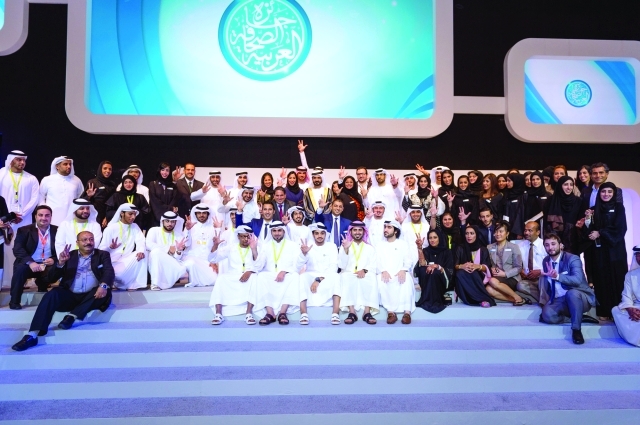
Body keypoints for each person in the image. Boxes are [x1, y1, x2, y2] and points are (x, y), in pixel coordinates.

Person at [11, 231, 114, 351]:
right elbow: (50, 278)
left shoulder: (102, 255)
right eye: (84, 240)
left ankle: (71, 316)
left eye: (91, 239)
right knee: (52, 294)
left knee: (105, 290)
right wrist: (60, 264)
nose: (88, 242)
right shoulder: (69, 255)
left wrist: (103, 285)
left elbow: (109, 271)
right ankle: (32, 335)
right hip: (70, 296)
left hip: (92, 296)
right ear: (77, 242)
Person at [538, 232, 596, 345]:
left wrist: (558, 276)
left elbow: (577, 280)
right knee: (547, 316)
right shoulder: (546, 261)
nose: (550, 247)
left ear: (561, 245)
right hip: (560, 299)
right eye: (547, 245)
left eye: (553, 244)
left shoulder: (573, 259)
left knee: (572, 293)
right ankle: (578, 317)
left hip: (580, 297)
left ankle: (576, 330)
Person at [582, 182, 628, 321]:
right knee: (601, 279)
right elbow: (589, 231)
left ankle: (618, 311)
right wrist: (588, 220)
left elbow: (620, 228)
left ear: (614, 193)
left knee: (617, 279)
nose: (606, 194)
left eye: (609, 192)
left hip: (615, 250)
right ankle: (604, 311)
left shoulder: (619, 207)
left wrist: (601, 232)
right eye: (603, 191)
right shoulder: (593, 209)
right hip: (599, 251)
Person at [0, 151, 40, 288]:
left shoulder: (31, 178)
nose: (22, 162)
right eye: (18, 160)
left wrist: (21, 215)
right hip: (4, 221)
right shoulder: (1, 175)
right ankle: (5, 281)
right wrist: (8, 217)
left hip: (24, 220)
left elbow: (35, 199)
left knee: (23, 248)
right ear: (11, 160)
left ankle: (22, 281)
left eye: (23, 160)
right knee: (6, 250)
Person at [250, 221, 301, 325]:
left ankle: (283, 312)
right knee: (261, 276)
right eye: (274, 231)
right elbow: (259, 266)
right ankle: (270, 313)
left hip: (287, 275)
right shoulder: (265, 246)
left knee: (295, 276)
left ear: (284, 231)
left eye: (279, 230)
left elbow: (297, 265)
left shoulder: (293, 245)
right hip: (270, 275)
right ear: (271, 232)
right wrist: (254, 250)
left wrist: (284, 271)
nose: (277, 233)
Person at [9, 205, 58, 310]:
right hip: (29, 263)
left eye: (47, 215)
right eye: (40, 215)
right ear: (35, 216)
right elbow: (18, 249)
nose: (44, 218)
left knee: (60, 268)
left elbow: (61, 248)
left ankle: (42, 284)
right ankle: (14, 301)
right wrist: (31, 262)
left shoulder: (57, 230)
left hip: (47, 263)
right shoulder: (24, 230)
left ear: (51, 217)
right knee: (20, 270)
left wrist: (54, 259)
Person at [209, 225, 260, 325]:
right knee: (221, 278)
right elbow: (213, 259)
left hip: (249, 276)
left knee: (255, 278)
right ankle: (218, 313)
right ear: (238, 237)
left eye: (248, 236)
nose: (246, 239)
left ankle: (249, 313)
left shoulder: (255, 246)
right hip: (232, 275)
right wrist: (215, 246)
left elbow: (260, 264)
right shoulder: (230, 248)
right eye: (243, 236)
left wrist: (249, 271)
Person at [297, 223, 341, 325]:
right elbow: (298, 266)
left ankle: (335, 313)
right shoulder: (308, 246)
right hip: (310, 275)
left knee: (336, 276)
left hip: (327, 275)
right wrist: (304, 254)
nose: (319, 236)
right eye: (316, 233)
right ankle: (304, 313)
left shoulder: (332, 246)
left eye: (322, 233)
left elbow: (334, 267)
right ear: (313, 235)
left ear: (326, 234)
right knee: (302, 277)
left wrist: (319, 279)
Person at [98, 203, 147, 291]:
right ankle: (116, 281)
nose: (133, 217)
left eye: (134, 214)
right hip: (112, 263)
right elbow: (101, 250)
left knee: (143, 253)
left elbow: (141, 241)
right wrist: (110, 248)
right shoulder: (111, 228)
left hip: (127, 261)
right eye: (130, 214)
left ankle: (134, 284)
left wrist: (140, 250)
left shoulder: (135, 226)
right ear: (122, 213)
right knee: (118, 275)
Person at [338, 221, 379, 325]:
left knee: (372, 278)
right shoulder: (345, 246)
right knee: (346, 277)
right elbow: (341, 266)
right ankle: (352, 312)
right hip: (349, 273)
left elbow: (373, 265)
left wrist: (364, 270)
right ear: (350, 232)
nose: (357, 232)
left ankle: (367, 312)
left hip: (365, 273)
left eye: (360, 230)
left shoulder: (370, 248)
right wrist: (346, 250)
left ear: (364, 232)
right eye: (355, 230)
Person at [377, 220, 414, 324]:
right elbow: (376, 261)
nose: (386, 229)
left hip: (399, 272)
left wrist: (403, 270)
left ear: (396, 231)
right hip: (386, 273)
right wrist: (383, 270)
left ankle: (407, 313)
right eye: (385, 227)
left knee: (407, 279)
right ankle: (391, 312)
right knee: (380, 280)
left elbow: (408, 260)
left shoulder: (403, 244)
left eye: (389, 227)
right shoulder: (380, 245)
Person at [486, 221, 529, 306]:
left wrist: (505, 274)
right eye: (496, 231)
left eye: (501, 231)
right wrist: (491, 268)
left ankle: (516, 297)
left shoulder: (514, 247)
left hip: (511, 277)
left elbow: (518, 267)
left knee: (492, 281)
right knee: (488, 289)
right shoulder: (489, 247)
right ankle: (517, 298)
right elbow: (488, 264)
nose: (498, 234)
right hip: (497, 277)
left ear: (507, 233)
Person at [454, 225, 495, 308]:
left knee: (473, 273)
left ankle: (482, 299)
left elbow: (487, 267)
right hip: (463, 276)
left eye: (472, 233)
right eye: (467, 233)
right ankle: (479, 299)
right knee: (459, 274)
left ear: (476, 234)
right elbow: (455, 266)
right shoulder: (460, 248)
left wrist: (477, 266)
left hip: (478, 275)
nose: (469, 236)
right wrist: (462, 266)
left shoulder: (483, 249)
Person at [415, 228, 454, 313]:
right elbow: (422, 264)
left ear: (439, 238)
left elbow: (450, 270)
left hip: (442, 281)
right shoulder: (426, 251)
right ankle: (426, 299)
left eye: (435, 237)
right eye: (430, 238)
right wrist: (420, 248)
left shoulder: (447, 252)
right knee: (423, 269)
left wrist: (438, 267)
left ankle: (434, 299)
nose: (432, 240)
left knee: (435, 272)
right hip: (427, 280)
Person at [146, 211, 187, 291]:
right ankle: (155, 283)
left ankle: (165, 283)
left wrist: (178, 251)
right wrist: (168, 249)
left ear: (175, 223)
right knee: (155, 252)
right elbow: (148, 244)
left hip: (171, 263)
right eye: (167, 221)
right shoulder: (154, 230)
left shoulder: (178, 235)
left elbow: (177, 258)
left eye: (172, 222)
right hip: (156, 261)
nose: (170, 224)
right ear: (163, 221)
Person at [38, 156, 84, 226]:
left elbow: (80, 197)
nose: (69, 166)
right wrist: (44, 212)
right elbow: (40, 197)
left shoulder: (76, 180)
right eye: (65, 164)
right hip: (52, 218)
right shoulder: (47, 180)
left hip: (71, 218)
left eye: (70, 164)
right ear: (57, 166)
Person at [182, 204, 219, 287]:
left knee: (214, 280)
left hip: (206, 260)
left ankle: (198, 281)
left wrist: (218, 229)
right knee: (191, 263)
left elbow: (217, 246)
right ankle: (194, 281)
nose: (201, 215)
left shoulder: (212, 228)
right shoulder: (190, 226)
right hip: (191, 257)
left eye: (204, 213)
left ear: (208, 214)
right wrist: (187, 230)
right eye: (199, 213)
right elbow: (186, 244)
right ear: (195, 214)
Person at [543, 176, 582, 254]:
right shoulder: (550, 201)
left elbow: (580, 220)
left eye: (571, 185)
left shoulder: (578, 201)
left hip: (572, 240)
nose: (569, 187)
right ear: (560, 186)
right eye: (565, 184)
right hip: (554, 239)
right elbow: (547, 223)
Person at [612, 246, 640, 347]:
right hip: (637, 307)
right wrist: (630, 309)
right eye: (638, 255)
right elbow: (626, 295)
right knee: (616, 310)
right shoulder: (631, 275)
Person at [515, 221, 546, 302]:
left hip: (543, 277)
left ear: (538, 232)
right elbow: (516, 263)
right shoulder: (520, 245)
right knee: (520, 285)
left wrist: (540, 272)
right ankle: (544, 300)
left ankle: (544, 299)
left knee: (544, 281)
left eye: (530, 230)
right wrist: (521, 271)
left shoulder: (545, 245)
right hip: (528, 279)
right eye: (525, 230)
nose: (526, 233)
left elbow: (552, 265)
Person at [81, 161, 116, 227]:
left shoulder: (112, 185)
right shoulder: (92, 182)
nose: (108, 171)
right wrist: (88, 196)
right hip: (93, 216)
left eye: (110, 169)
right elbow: (82, 201)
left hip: (107, 217)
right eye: (105, 168)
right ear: (100, 169)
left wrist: (108, 216)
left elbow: (113, 203)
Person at [148, 162, 178, 227]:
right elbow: (154, 202)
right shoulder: (153, 184)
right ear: (159, 171)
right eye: (162, 170)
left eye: (167, 170)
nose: (165, 172)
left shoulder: (173, 186)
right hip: (155, 219)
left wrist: (169, 212)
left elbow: (174, 200)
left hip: (169, 219)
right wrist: (170, 208)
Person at [502, 173, 526, 240]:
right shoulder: (506, 194)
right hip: (507, 226)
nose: (507, 183)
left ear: (516, 181)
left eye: (509, 181)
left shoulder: (523, 196)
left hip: (517, 229)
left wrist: (519, 231)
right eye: (507, 180)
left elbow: (521, 214)